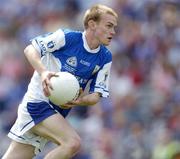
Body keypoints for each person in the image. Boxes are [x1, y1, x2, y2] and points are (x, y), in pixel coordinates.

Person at [3, 4, 118, 159]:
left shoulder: (105, 57)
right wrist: (44, 73)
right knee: (72, 143)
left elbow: (96, 95)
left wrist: (79, 101)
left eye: (114, 27)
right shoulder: (67, 37)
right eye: (109, 26)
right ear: (92, 24)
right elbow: (30, 50)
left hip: (55, 113)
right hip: (38, 104)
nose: (113, 32)